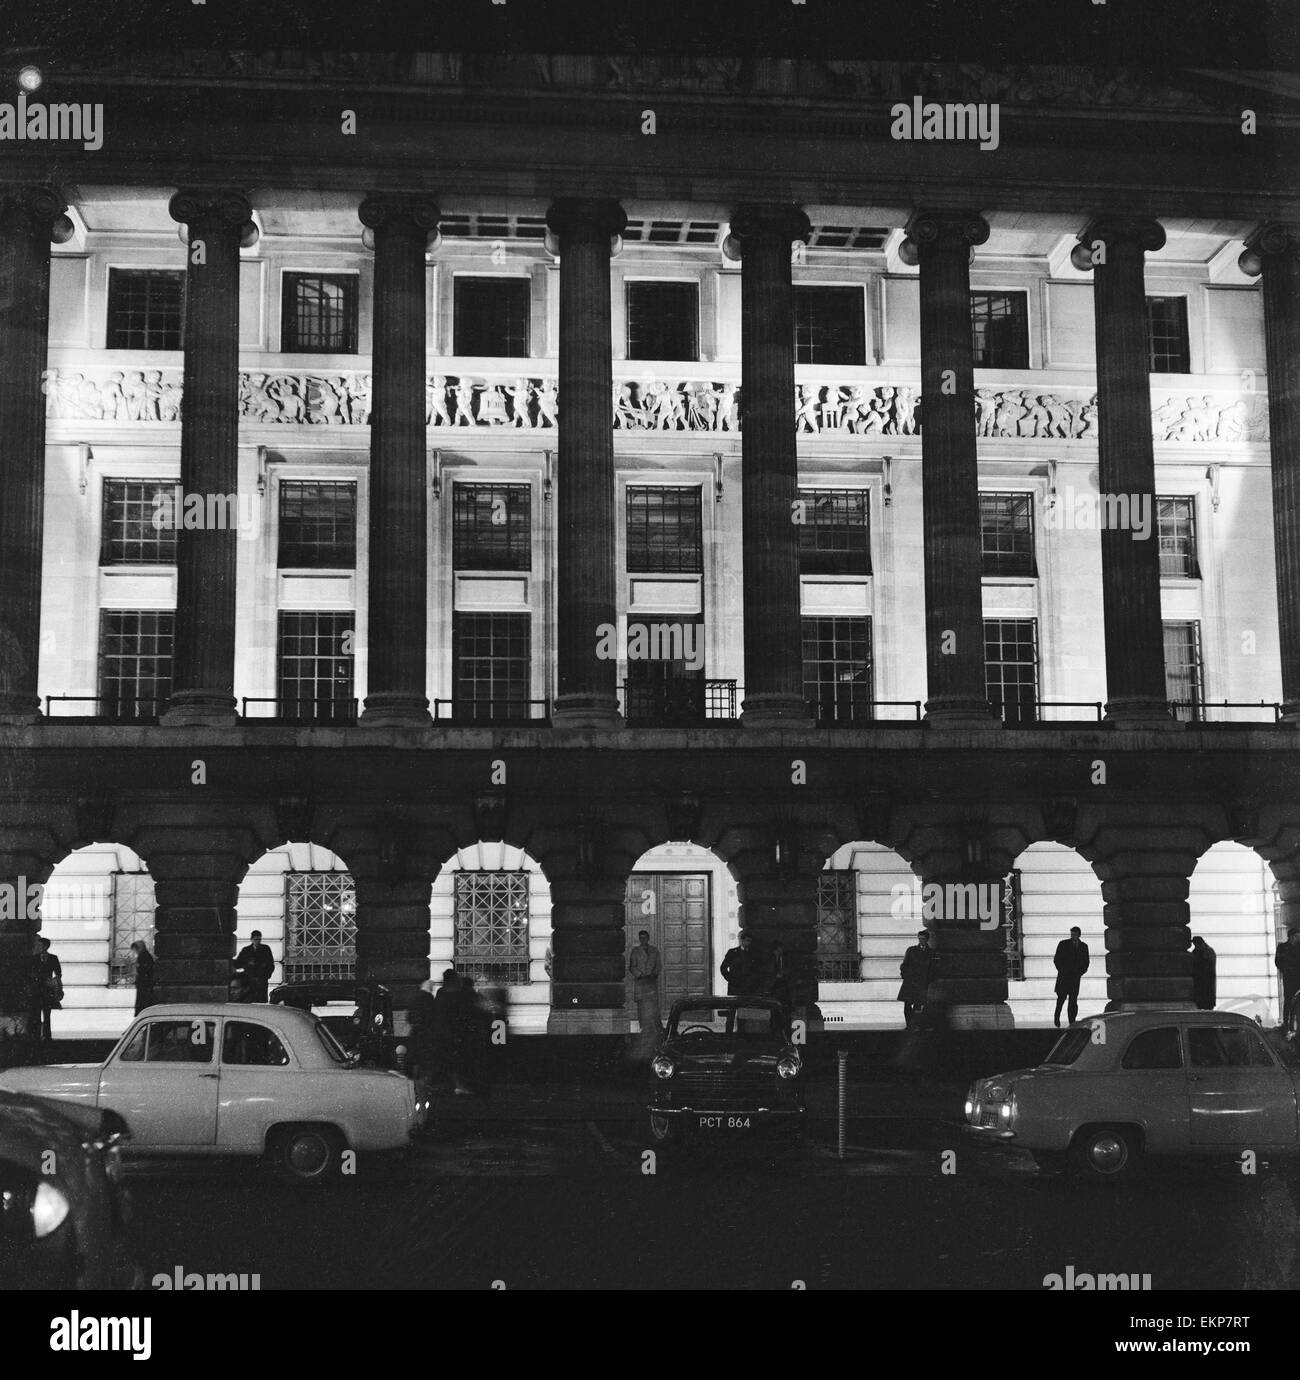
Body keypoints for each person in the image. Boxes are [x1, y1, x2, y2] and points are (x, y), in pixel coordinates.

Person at [628, 929, 663, 1044]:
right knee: (642, 1006)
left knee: (654, 1006)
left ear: (648, 938)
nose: (643, 940)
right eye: (641, 938)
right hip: (641, 983)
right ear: (639, 939)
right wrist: (640, 975)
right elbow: (632, 967)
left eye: (645, 938)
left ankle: (658, 1027)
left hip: (651, 982)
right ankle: (643, 1027)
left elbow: (658, 965)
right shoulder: (635, 951)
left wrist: (654, 974)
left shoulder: (654, 950)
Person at [27, 937, 63, 1046]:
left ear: (45, 947)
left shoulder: (53, 958)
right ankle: (37, 1036)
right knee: (36, 1014)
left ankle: (47, 1036)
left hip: (47, 989)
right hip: (37, 989)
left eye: (40, 945)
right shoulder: (34, 958)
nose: (38, 947)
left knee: (47, 1014)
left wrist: (53, 980)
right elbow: (29, 973)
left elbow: (58, 973)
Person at [1053, 926, 1090, 1027]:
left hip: (1075, 977)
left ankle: (1072, 1021)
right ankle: (1057, 1017)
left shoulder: (1083, 946)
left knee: (1073, 1001)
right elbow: (1057, 959)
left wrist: (1079, 973)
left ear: (1079, 935)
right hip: (1064, 977)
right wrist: (1062, 970)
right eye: (1072, 934)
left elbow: (1086, 962)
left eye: (1074, 934)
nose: (1073, 936)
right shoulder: (1063, 944)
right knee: (1061, 999)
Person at [897, 930, 935, 1030]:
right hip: (910, 982)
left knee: (918, 1006)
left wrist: (928, 980)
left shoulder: (931, 953)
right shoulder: (911, 950)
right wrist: (906, 976)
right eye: (920, 938)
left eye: (923, 939)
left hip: (922, 983)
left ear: (927, 939)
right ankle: (909, 1025)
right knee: (908, 1005)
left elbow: (933, 968)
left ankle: (916, 1024)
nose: (921, 941)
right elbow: (904, 965)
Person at [233, 930, 275, 1002]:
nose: (258, 942)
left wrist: (266, 975)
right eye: (256, 939)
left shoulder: (266, 949)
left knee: (261, 1000)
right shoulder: (246, 950)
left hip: (262, 980)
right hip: (249, 980)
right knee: (250, 1000)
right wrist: (247, 964)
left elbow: (271, 964)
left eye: (259, 939)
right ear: (251, 940)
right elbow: (237, 964)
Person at [719, 930, 761, 996]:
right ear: (742, 941)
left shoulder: (753, 953)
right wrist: (731, 979)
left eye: (750, 941)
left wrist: (753, 980)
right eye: (747, 940)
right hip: (735, 987)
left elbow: (757, 968)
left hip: (749, 987)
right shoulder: (732, 953)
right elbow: (723, 968)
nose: (748, 943)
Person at [1276, 928, 1300, 1028]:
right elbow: (1278, 961)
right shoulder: (1282, 947)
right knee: (1288, 1001)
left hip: (1298, 978)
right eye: (1296, 936)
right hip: (1289, 979)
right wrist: (1286, 970)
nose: (1298, 939)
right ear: (1290, 936)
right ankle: (1286, 1024)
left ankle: (1296, 1025)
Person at [1189, 935, 1217, 1011]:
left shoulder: (1204, 952)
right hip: (1204, 982)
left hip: (1204, 981)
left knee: (1204, 1002)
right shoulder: (1208, 951)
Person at [766, 939, 793, 1014]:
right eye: (781, 948)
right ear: (777, 948)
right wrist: (775, 975)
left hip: (782, 983)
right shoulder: (769, 958)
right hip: (773, 984)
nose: (783, 949)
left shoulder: (784, 958)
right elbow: (767, 971)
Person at [131, 940, 156, 1015]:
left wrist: (138, 967)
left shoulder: (143, 956)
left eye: (135, 950)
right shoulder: (145, 956)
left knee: (143, 1003)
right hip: (145, 985)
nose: (135, 952)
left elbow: (144, 970)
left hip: (144, 985)